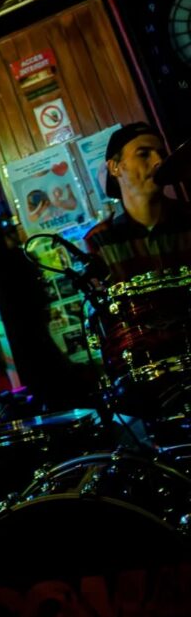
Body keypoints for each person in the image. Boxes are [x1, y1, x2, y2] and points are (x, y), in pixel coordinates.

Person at [85, 122, 191, 417]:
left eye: (161, 153)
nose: (158, 161)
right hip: (147, 393)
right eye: (144, 154)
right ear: (115, 167)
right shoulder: (99, 241)